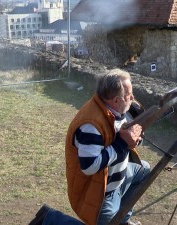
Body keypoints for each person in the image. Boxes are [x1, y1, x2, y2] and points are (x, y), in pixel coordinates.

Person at [29, 69, 151, 225]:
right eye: (129, 95)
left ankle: (123, 220)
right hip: (99, 189)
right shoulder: (91, 125)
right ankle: (50, 219)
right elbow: (90, 166)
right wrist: (122, 144)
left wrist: (136, 138)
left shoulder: (118, 110)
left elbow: (126, 141)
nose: (133, 98)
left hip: (115, 177)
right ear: (115, 100)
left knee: (144, 170)